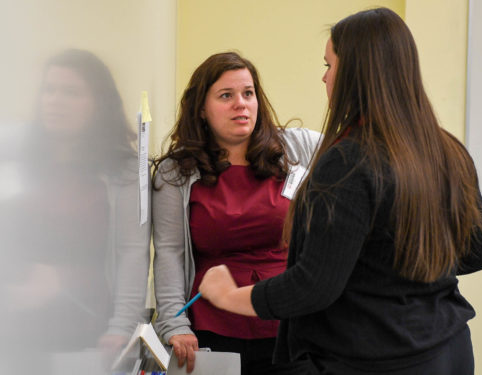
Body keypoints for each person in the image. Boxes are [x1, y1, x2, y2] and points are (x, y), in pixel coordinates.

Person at [199, 8, 482, 375]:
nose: (325, 78)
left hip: (371, 358)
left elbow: (313, 286)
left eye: (329, 65)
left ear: (355, 72)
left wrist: (227, 296)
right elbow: (475, 254)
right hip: (448, 350)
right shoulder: (449, 150)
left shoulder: (348, 161)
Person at [151, 52, 320, 374]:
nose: (241, 104)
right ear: (201, 108)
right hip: (213, 328)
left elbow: (363, 157)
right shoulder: (177, 171)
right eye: (226, 96)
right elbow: (169, 253)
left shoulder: (298, 149)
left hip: (289, 321)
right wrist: (174, 324)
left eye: (248, 93)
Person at [0, 49, 151, 371]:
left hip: (88, 336)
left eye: (71, 92)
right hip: (16, 336)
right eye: (49, 89)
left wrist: (122, 327)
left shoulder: (123, 171)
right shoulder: (19, 161)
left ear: (98, 102)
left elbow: (132, 254)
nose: (55, 100)